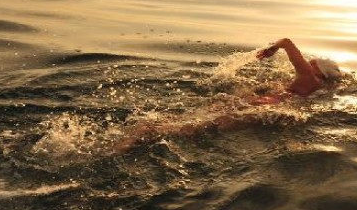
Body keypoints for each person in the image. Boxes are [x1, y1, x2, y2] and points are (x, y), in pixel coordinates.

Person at [112, 38, 341, 153]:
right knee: (198, 125)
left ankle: (141, 135)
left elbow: (288, 42)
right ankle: (145, 134)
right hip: (267, 107)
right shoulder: (321, 89)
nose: (307, 66)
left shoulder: (309, 77)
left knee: (190, 124)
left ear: (317, 69)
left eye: (311, 64)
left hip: (265, 104)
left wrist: (273, 49)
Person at [252, 38, 342, 103]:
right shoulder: (323, 86)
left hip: (273, 101)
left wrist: (273, 49)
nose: (308, 64)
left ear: (319, 69)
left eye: (312, 63)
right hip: (288, 104)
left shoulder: (307, 73)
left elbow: (286, 42)